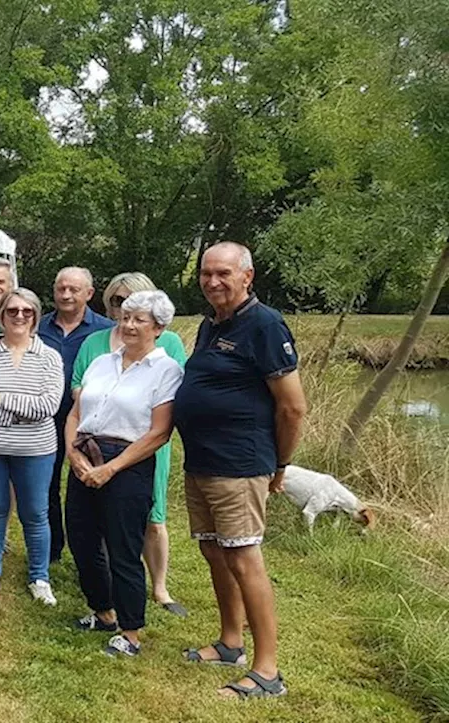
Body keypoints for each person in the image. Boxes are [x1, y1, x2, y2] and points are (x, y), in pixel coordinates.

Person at [174, 242, 306, 699]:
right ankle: (231, 641)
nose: (212, 281)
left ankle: (267, 670)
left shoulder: (264, 325)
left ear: (247, 277)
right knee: (215, 552)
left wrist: (279, 464)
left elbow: (292, 408)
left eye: (223, 274)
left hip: (240, 463)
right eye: (206, 274)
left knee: (245, 560)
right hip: (204, 462)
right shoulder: (213, 323)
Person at [64, 290, 183, 658]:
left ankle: (130, 632)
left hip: (127, 462)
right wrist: (73, 454)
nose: (128, 325)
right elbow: (75, 414)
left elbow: (159, 432)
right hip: (85, 453)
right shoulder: (102, 362)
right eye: (125, 317)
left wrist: (111, 468)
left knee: (123, 548)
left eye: (139, 319)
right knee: (81, 540)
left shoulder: (167, 371)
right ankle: (103, 612)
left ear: (159, 327)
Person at [0, 288, 63, 603]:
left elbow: (47, 406)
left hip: (36, 449)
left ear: (36, 317)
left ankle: (40, 577)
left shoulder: (49, 357)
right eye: (12, 310)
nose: (19, 316)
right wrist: (6, 405)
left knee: (35, 513)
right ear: (1, 315)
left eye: (26, 311)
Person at [38, 266, 114, 562]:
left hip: (94, 423)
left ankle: (96, 551)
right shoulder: (38, 327)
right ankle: (53, 548)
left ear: (89, 293)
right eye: (61, 289)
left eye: (74, 289)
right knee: (47, 485)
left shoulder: (105, 331)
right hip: (48, 420)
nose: (66, 295)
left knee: (92, 484)